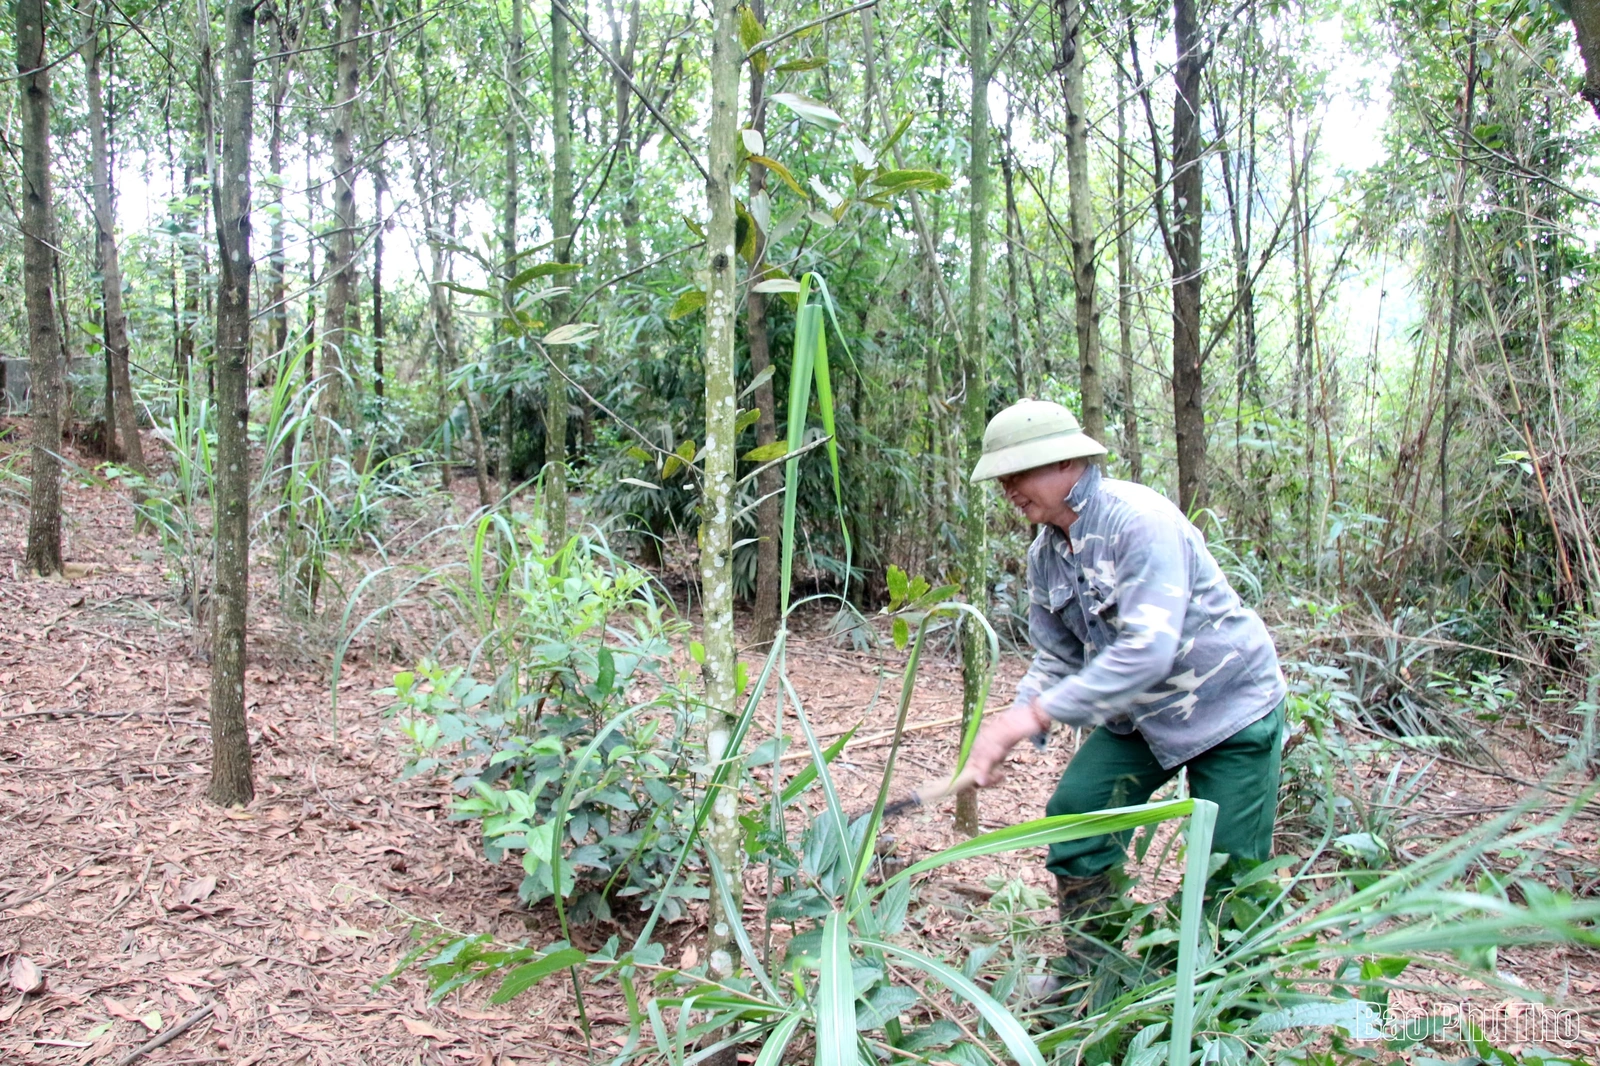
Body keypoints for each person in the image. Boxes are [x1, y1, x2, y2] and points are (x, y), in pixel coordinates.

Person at [959, 399, 1286, 986]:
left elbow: (1147, 651)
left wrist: (1029, 716)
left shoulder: (1138, 520)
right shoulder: (1045, 554)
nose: (1008, 489)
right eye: (1001, 477)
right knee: (1075, 818)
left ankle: (1233, 1010)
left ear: (1067, 464)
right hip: (1140, 721)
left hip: (1229, 710)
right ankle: (1095, 976)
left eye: (1018, 472)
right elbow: (1055, 655)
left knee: (1232, 873)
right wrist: (1009, 725)